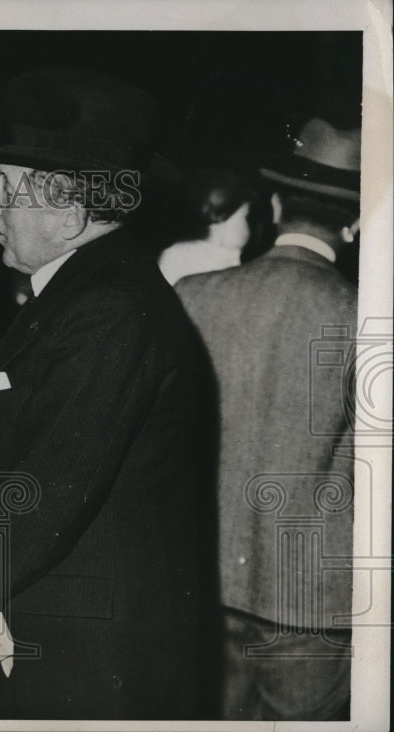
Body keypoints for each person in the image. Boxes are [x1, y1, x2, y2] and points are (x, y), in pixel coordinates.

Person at [0, 68, 210, 720]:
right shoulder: (84, 292)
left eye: (7, 190)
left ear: (71, 213)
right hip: (68, 633)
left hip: (97, 657)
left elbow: (49, 485)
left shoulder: (108, 309)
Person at [175, 117, 360, 721]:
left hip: (208, 587)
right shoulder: (364, 316)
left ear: (274, 205)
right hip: (314, 608)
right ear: (355, 224)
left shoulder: (193, 295)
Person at [158, 168, 254, 284]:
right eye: (246, 217)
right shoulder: (178, 256)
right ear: (220, 218)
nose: (249, 226)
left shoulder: (238, 260)